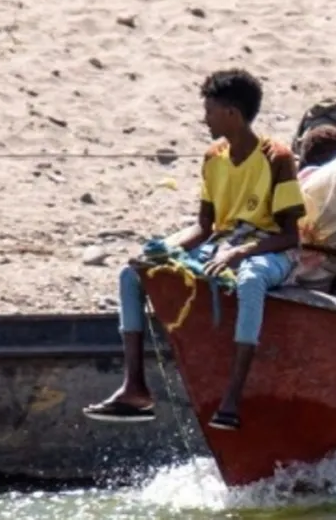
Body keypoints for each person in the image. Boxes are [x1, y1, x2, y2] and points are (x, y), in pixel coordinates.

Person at [84, 69, 306, 430]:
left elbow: (288, 237)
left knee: (250, 281)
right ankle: (134, 388)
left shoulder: (276, 157)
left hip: (268, 252)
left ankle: (233, 396)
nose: (205, 118)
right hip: (221, 246)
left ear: (231, 113)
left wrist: (239, 253)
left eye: (210, 111)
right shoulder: (213, 156)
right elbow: (204, 227)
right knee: (132, 273)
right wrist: (162, 250)